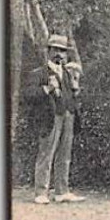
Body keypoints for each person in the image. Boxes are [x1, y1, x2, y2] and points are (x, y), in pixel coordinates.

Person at [26, 34, 84, 204]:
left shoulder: (67, 72)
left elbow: (71, 95)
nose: (59, 54)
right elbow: (27, 95)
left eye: (63, 51)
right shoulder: (39, 73)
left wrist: (75, 90)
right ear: (48, 51)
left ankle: (61, 191)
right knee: (46, 153)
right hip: (50, 117)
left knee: (65, 154)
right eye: (56, 50)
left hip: (68, 115)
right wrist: (47, 88)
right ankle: (41, 192)